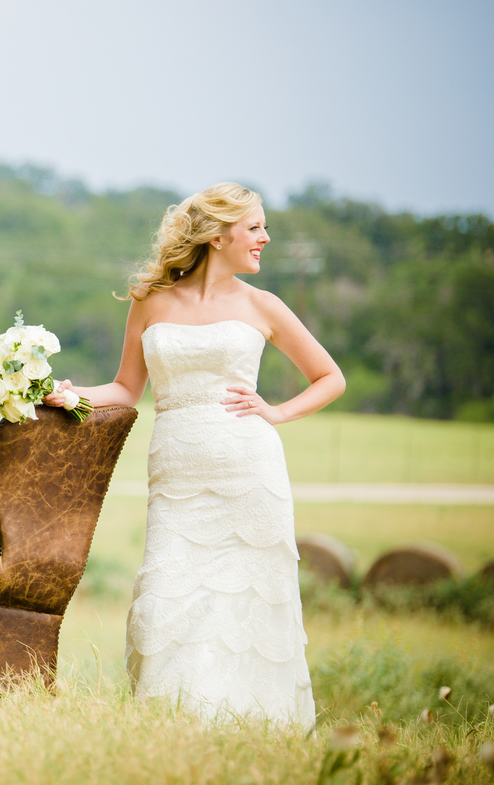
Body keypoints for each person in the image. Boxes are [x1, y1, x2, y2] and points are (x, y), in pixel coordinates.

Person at [44, 182, 345, 726]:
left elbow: (330, 378)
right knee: (168, 595)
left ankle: (254, 723)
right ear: (219, 233)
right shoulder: (151, 301)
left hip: (249, 473)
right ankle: (172, 721)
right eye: (256, 227)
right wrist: (69, 394)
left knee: (245, 600)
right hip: (177, 479)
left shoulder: (264, 305)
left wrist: (276, 412)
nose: (266, 238)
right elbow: (124, 390)